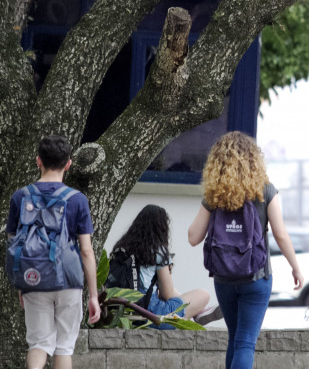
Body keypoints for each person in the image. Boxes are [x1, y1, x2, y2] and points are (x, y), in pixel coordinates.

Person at [188, 131, 303, 369]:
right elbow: (280, 234)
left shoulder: (215, 194)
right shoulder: (266, 190)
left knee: (235, 339)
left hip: (224, 278)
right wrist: (295, 267)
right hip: (256, 277)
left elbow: (193, 237)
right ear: (254, 159)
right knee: (244, 343)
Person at [5, 135, 101, 369]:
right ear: (68, 164)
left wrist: (23, 283)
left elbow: (14, 244)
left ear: (38, 161)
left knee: (38, 342)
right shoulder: (77, 200)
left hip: (33, 279)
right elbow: (86, 251)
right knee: (64, 347)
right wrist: (93, 295)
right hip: (68, 280)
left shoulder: (20, 197)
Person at [109, 204, 212, 327]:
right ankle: (198, 313)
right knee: (203, 294)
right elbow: (167, 293)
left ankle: (198, 313)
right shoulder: (158, 250)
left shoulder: (122, 248)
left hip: (121, 314)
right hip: (152, 316)